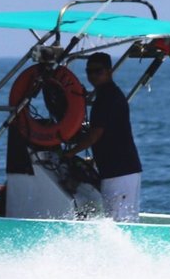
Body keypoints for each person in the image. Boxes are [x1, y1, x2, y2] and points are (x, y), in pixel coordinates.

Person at [60, 52, 141, 222]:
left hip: (120, 170)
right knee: (120, 219)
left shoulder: (107, 98)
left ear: (109, 71)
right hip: (116, 169)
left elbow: (95, 135)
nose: (93, 75)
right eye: (89, 71)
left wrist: (69, 153)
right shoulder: (106, 95)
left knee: (120, 221)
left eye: (98, 71)